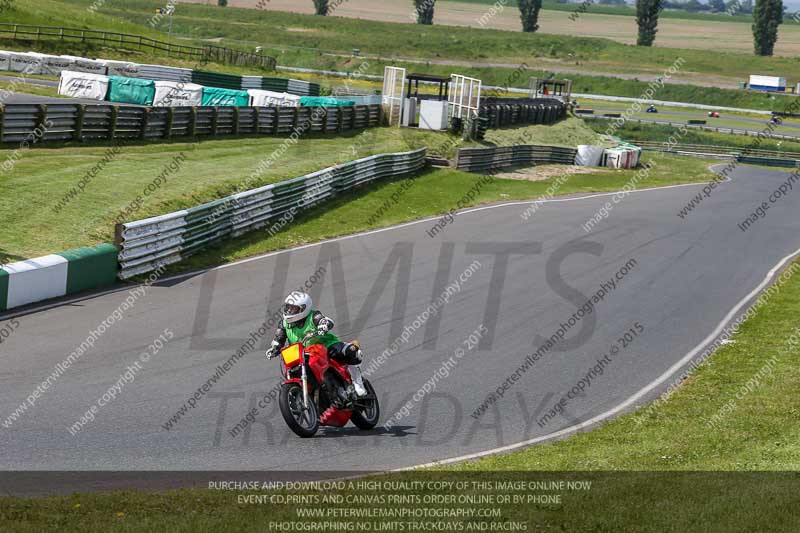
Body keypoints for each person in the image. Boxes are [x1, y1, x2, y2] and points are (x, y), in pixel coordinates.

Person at [266, 291, 368, 397]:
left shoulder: (313, 316)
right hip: (300, 353)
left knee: (351, 350)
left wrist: (323, 326)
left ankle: (358, 382)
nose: (289, 311)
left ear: (303, 309)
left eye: (294, 308)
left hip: (325, 346)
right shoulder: (284, 323)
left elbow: (324, 321)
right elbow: (279, 338)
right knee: (291, 371)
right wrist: (275, 348)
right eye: (288, 307)